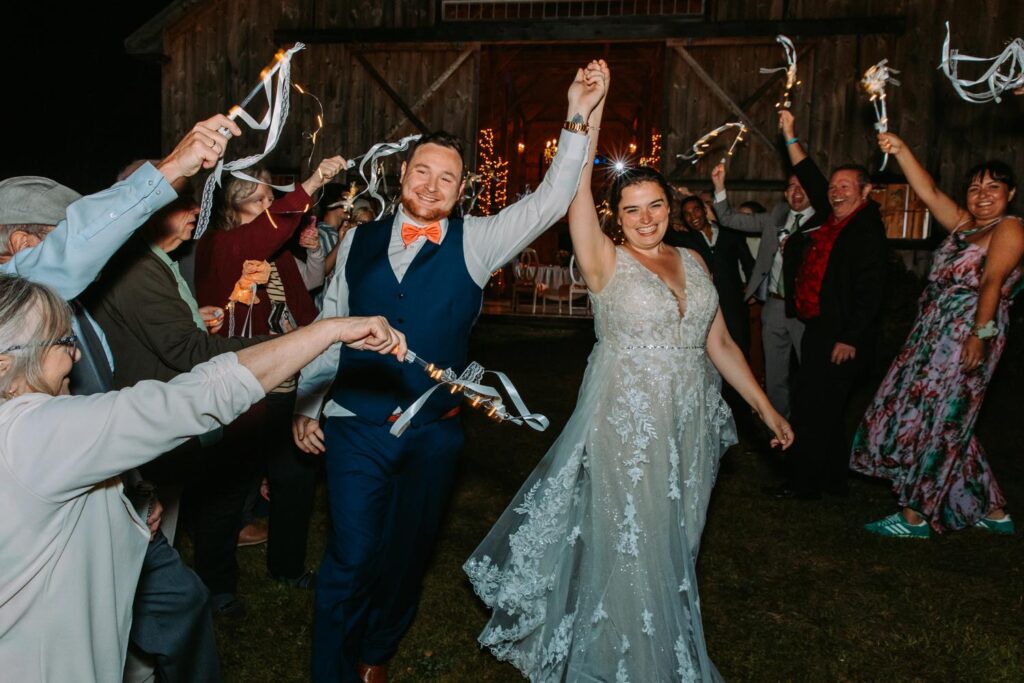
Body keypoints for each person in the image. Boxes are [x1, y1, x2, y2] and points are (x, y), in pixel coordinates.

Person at [465, 63, 792, 682]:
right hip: (627, 427)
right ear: (615, 214)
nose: (646, 218)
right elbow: (574, 192)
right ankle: (626, 665)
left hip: (688, 425)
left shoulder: (694, 261)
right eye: (633, 209)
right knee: (630, 544)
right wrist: (588, 109)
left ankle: (654, 650)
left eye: (657, 205)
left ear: (672, 205)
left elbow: (717, 341)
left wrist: (765, 408)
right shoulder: (602, 260)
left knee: (675, 546)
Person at [293, 62, 603, 682]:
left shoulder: (478, 241)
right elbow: (329, 322)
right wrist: (307, 404)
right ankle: (329, 671)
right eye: (422, 172)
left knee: (406, 554)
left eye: (447, 178)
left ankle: (377, 649)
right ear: (402, 175)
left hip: (435, 430)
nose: (432, 186)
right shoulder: (357, 240)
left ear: (461, 189)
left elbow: (550, 199)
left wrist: (576, 112)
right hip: (355, 422)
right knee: (350, 555)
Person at [0, 273, 405, 682]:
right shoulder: (29, 433)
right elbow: (198, 396)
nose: (76, 356)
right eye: (61, 342)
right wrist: (329, 330)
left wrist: (134, 499)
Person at [851, 134, 1023, 538]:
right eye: (975, 187)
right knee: (946, 416)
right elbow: (927, 190)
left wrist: (980, 336)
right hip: (933, 332)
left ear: (1010, 193)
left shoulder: (1011, 228)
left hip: (971, 331)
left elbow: (992, 284)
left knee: (943, 419)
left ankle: (915, 516)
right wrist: (901, 150)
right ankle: (992, 510)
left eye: (993, 188)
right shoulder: (964, 225)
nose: (982, 196)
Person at [193, 156, 345, 611]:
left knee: (295, 479)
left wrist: (318, 354)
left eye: (269, 198)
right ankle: (217, 587)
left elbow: (302, 309)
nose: (269, 205)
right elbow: (267, 231)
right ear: (232, 206)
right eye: (259, 199)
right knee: (227, 490)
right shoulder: (220, 245)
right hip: (240, 387)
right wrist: (314, 180)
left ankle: (288, 565)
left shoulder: (276, 254)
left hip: (287, 388)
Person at [764, 110, 888, 500]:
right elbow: (812, 176)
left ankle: (808, 482)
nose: (835, 191)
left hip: (842, 337)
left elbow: (872, 291)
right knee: (817, 408)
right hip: (819, 329)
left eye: (846, 186)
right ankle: (826, 482)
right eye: (834, 186)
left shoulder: (865, 229)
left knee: (818, 410)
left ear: (865, 191)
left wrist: (850, 338)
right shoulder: (833, 218)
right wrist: (789, 136)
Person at [711, 162, 822, 418]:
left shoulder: (822, 223)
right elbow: (729, 218)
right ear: (785, 193)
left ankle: (809, 421)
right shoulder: (775, 218)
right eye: (792, 186)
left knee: (811, 369)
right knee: (774, 372)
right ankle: (776, 423)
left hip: (806, 308)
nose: (796, 192)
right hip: (774, 304)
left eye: (803, 187)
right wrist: (719, 186)